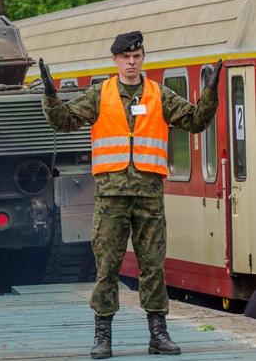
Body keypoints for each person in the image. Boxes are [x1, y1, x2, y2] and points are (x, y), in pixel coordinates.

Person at [39, 31, 221, 359]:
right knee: (107, 265)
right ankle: (103, 335)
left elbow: (195, 122)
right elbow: (63, 121)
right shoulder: (99, 94)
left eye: (137, 56)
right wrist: (50, 95)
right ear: (116, 61)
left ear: (143, 59)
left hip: (148, 195)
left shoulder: (158, 95)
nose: (131, 62)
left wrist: (210, 93)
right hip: (111, 197)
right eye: (126, 57)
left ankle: (158, 333)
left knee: (153, 265)